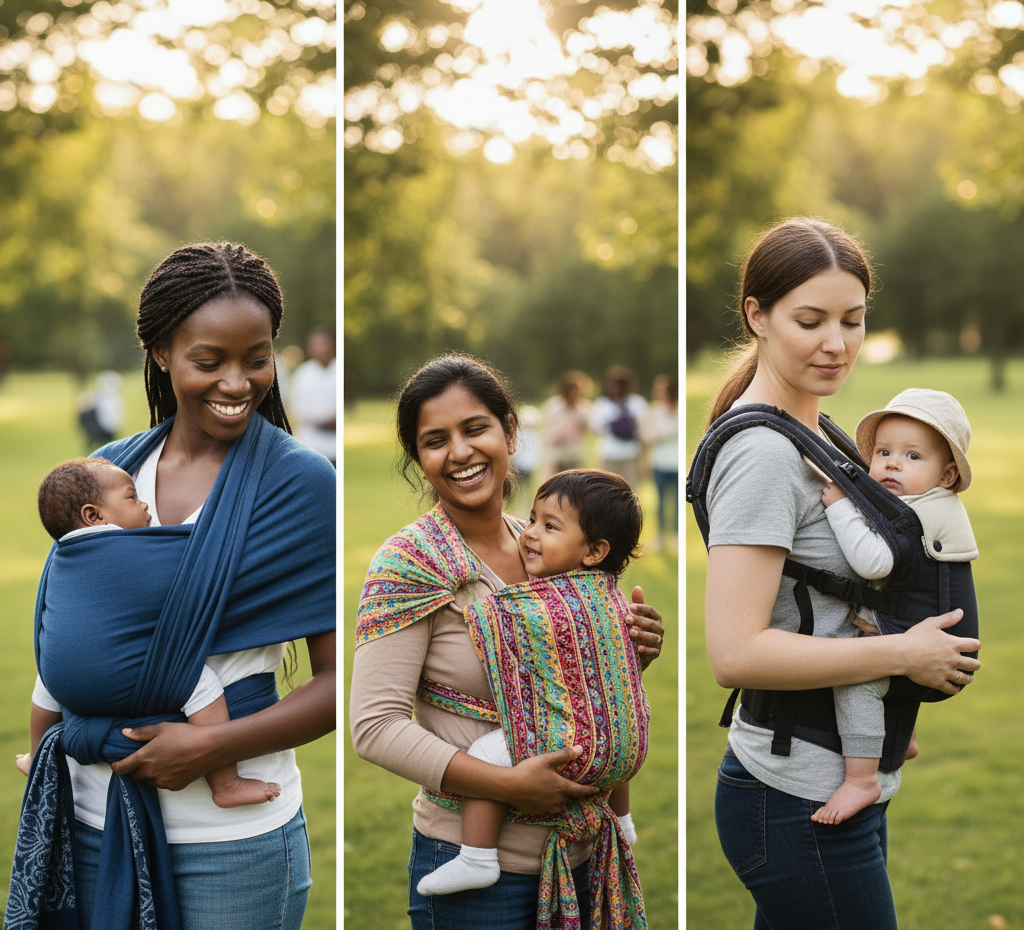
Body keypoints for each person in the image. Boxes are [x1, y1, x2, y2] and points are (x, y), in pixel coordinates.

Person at [5, 242, 335, 930]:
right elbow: (70, 632)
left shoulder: (301, 487)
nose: (239, 382)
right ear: (160, 352)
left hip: (229, 843)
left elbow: (335, 689)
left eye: (258, 358)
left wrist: (212, 747)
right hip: (90, 819)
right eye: (209, 361)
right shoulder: (104, 473)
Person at [697, 217, 980, 929]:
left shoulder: (819, 432)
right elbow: (734, 653)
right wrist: (905, 652)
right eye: (811, 319)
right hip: (793, 796)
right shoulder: (763, 455)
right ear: (756, 316)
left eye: (853, 320)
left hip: (832, 779)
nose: (837, 343)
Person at [350, 353, 665, 930]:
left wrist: (630, 652)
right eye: (435, 440)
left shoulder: (545, 547)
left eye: (475, 428)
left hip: (583, 855)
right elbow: (374, 727)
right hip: (480, 883)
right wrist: (507, 785)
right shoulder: (411, 563)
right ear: (418, 459)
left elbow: (568, 688)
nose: (460, 452)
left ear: (510, 432)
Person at [415, 468, 648, 899]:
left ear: (595, 550)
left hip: (572, 747)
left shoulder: (547, 602)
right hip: (626, 744)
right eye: (533, 518)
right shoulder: (610, 593)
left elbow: (494, 623)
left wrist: (473, 600)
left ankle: (476, 858)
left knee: (484, 755)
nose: (530, 534)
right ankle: (624, 821)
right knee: (605, 720)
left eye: (550, 526)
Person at [15, 457, 283, 810]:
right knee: (201, 683)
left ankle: (36, 755)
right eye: (131, 497)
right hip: (124, 676)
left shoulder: (61, 558)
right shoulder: (132, 548)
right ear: (94, 516)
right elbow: (198, 560)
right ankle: (226, 783)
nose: (144, 504)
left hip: (63, 679)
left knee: (46, 676)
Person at [812, 388, 976, 825]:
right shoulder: (932, 506)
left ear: (946, 475)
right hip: (940, 645)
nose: (892, 463)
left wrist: (841, 508)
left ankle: (861, 777)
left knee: (858, 673)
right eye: (883, 451)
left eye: (912, 456)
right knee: (891, 661)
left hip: (938, 654)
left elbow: (872, 562)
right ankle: (906, 738)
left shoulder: (915, 516)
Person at [589, 366, 647, 489]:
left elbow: (643, 429)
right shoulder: (602, 404)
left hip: (631, 453)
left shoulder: (636, 403)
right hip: (609, 454)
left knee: (630, 489)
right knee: (607, 488)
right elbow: (595, 428)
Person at [289, 326, 337, 464]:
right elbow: (296, 408)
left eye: (323, 344)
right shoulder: (302, 374)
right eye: (316, 345)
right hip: (310, 443)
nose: (321, 349)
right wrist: (323, 419)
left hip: (335, 447)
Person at [642, 375, 679, 552]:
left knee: (677, 502)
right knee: (661, 502)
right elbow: (647, 436)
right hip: (659, 463)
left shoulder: (679, 408)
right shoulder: (655, 410)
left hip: (676, 464)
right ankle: (661, 536)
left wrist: (660, 434)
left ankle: (676, 536)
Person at [541, 370, 592, 477]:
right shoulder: (554, 406)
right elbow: (546, 430)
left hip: (575, 453)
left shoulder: (584, 407)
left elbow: (590, 429)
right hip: (557, 453)